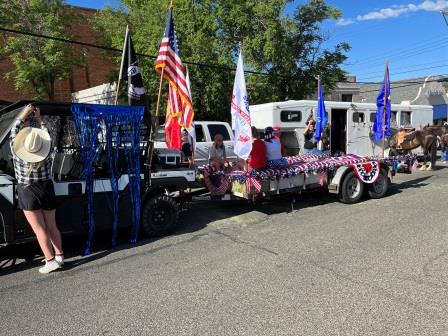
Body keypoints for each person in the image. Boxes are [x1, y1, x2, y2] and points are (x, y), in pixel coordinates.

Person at [10, 104, 63, 274]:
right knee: (52, 225)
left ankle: (50, 260)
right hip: (46, 187)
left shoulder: (17, 152)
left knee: (39, 228)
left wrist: (24, 114)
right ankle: (59, 255)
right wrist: (39, 119)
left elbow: (14, 129)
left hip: (28, 190)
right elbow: (48, 136)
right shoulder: (47, 150)